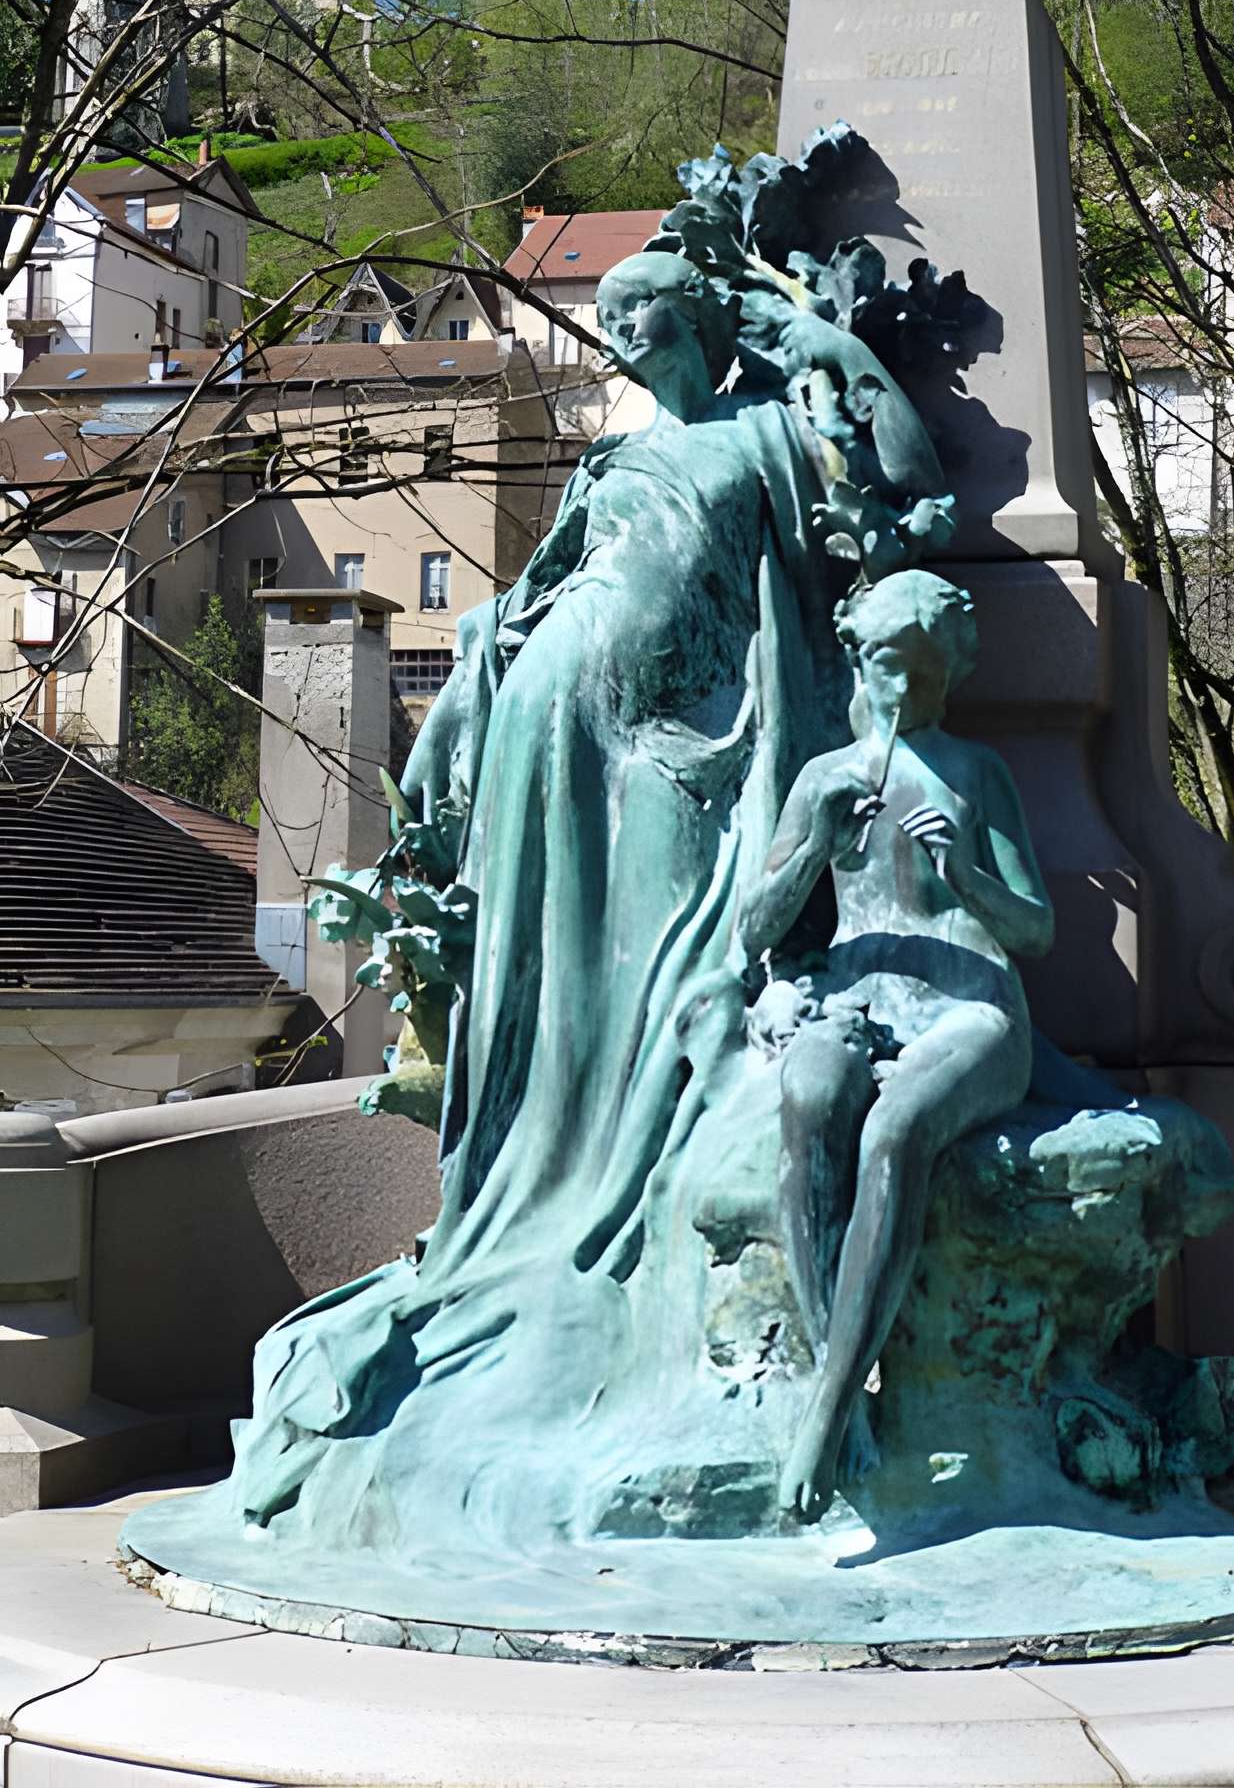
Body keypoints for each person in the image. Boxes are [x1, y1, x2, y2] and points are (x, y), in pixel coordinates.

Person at [221, 246, 941, 1540]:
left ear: (703, 318)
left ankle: (630, 1222)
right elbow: (528, 597)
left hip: (680, 753)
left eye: (638, 310)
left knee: (663, 985)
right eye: (604, 318)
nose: (617, 335)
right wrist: (478, 678)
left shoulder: (772, 436)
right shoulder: (610, 463)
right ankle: (531, 1193)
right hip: (549, 740)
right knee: (550, 989)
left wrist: (811, 328)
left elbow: (905, 473)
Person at [737, 569, 1053, 1522]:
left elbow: (1034, 931)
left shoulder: (977, 774)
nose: (905, 690)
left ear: (949, 670)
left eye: (923, 672)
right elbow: (755, 923)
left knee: (892, 1135)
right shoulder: (824, 778)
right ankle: (844, 1381)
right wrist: (808, 851)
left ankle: (829, 1408)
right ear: (860, 665)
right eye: (887, 667)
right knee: (813, 1101)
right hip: (859, 996)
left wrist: (967, 873)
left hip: (970, 1008)